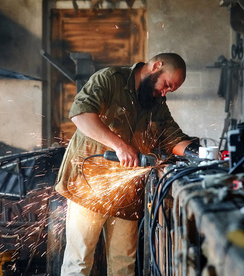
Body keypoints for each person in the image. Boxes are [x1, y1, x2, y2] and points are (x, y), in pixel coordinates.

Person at [55, 53, 199, 275]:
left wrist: (204, 154)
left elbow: (173, 138)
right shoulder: (110, 79)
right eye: (166, 85)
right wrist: (119, 146)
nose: (164, 92)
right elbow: (81, 115)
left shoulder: (156, 102)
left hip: (127, 192)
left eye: (170, 91)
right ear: (156, 66)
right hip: (90, 184)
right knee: (79, 261)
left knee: (124, 264)